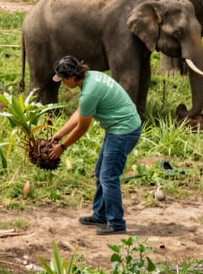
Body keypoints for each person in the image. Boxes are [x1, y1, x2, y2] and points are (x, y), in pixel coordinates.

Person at [49, 56, 142, 235]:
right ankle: (100, 215)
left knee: (108, 177)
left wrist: (62, 147)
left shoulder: (89, 92)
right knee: (101, 172)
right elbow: (81, 112)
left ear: (70, 77)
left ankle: (116, 223)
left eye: (62, 80)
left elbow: (82, 127)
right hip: (119, 128)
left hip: (124, 131)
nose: (62, 84)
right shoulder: (91, 77)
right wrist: (61, 132)